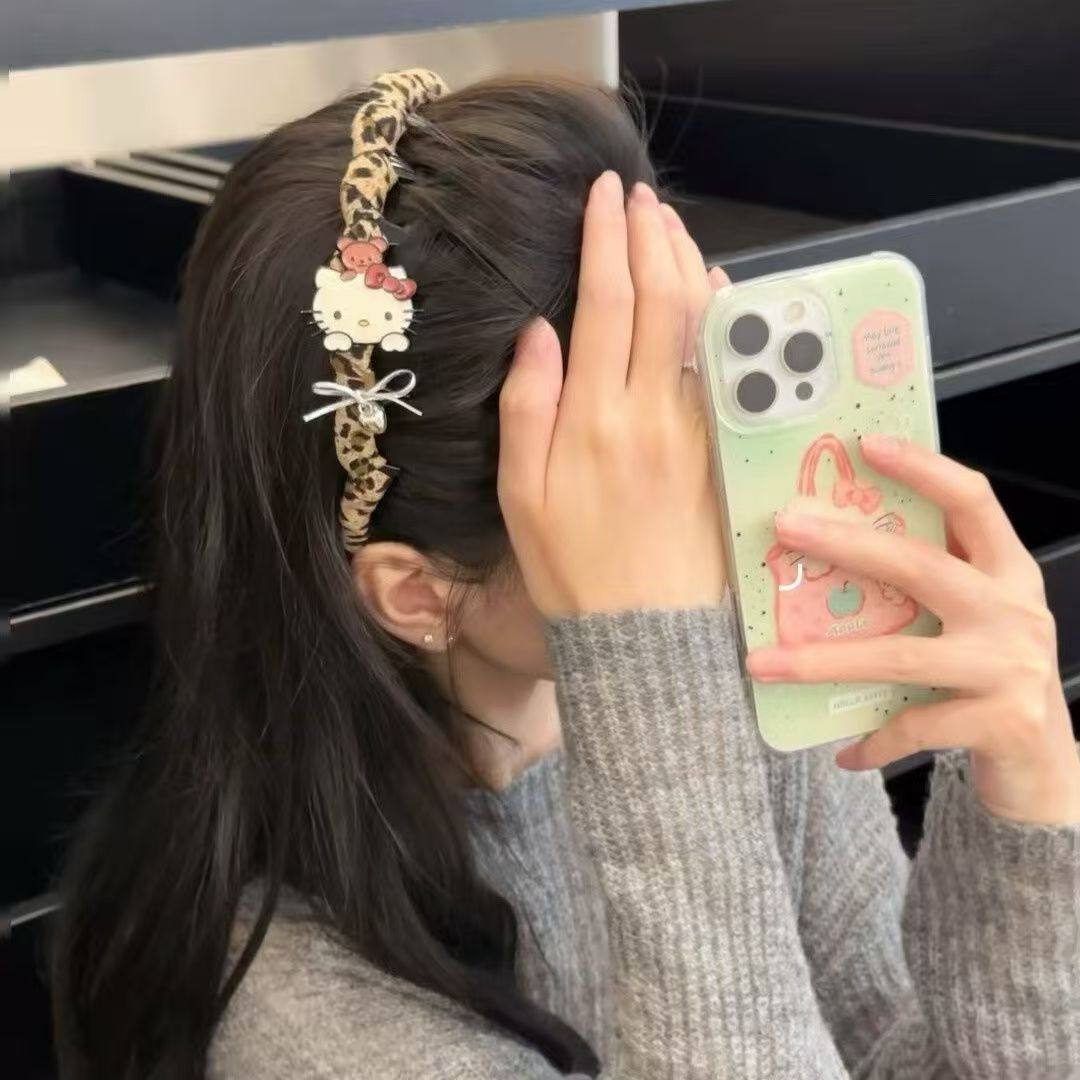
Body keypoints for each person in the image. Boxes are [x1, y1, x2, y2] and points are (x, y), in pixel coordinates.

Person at [51, 70, 1080, 1080]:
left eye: (695, 390)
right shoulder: (306, 1020)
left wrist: (1027, 816)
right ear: (419, 594)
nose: (732, 514)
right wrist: (657, 679)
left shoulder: (731, 679)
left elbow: (881, 1048)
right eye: (640, 481)